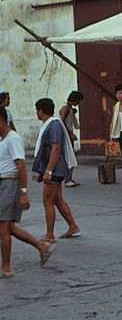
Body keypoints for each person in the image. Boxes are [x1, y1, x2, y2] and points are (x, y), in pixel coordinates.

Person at [0, 107, 52, 277]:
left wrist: (23, 192)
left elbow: (21, 166)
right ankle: (41, 246)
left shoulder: (13, 139)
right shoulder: (2, 140)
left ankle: (6, 267)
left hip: (10, 183)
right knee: (9, 227)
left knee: (3, 227)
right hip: (2, 183)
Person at [32, 98, 80, 243]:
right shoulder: (50, 124)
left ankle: (50, 234)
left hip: (55, 168)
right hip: (53, 168)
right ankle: (73, 226)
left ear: (40, 111)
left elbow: (56, 148)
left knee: (47, 200)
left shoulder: (53, 125)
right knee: (57, 199)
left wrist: (49, 171)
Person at [59, 91, 83, 188]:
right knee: (69, 157)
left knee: (70, 156)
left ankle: (69, 178)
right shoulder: (65, 109)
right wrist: (70, 134)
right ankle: (67, 179)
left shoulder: (69, 109)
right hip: (66, 135)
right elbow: (62, 122)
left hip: (68, 135)